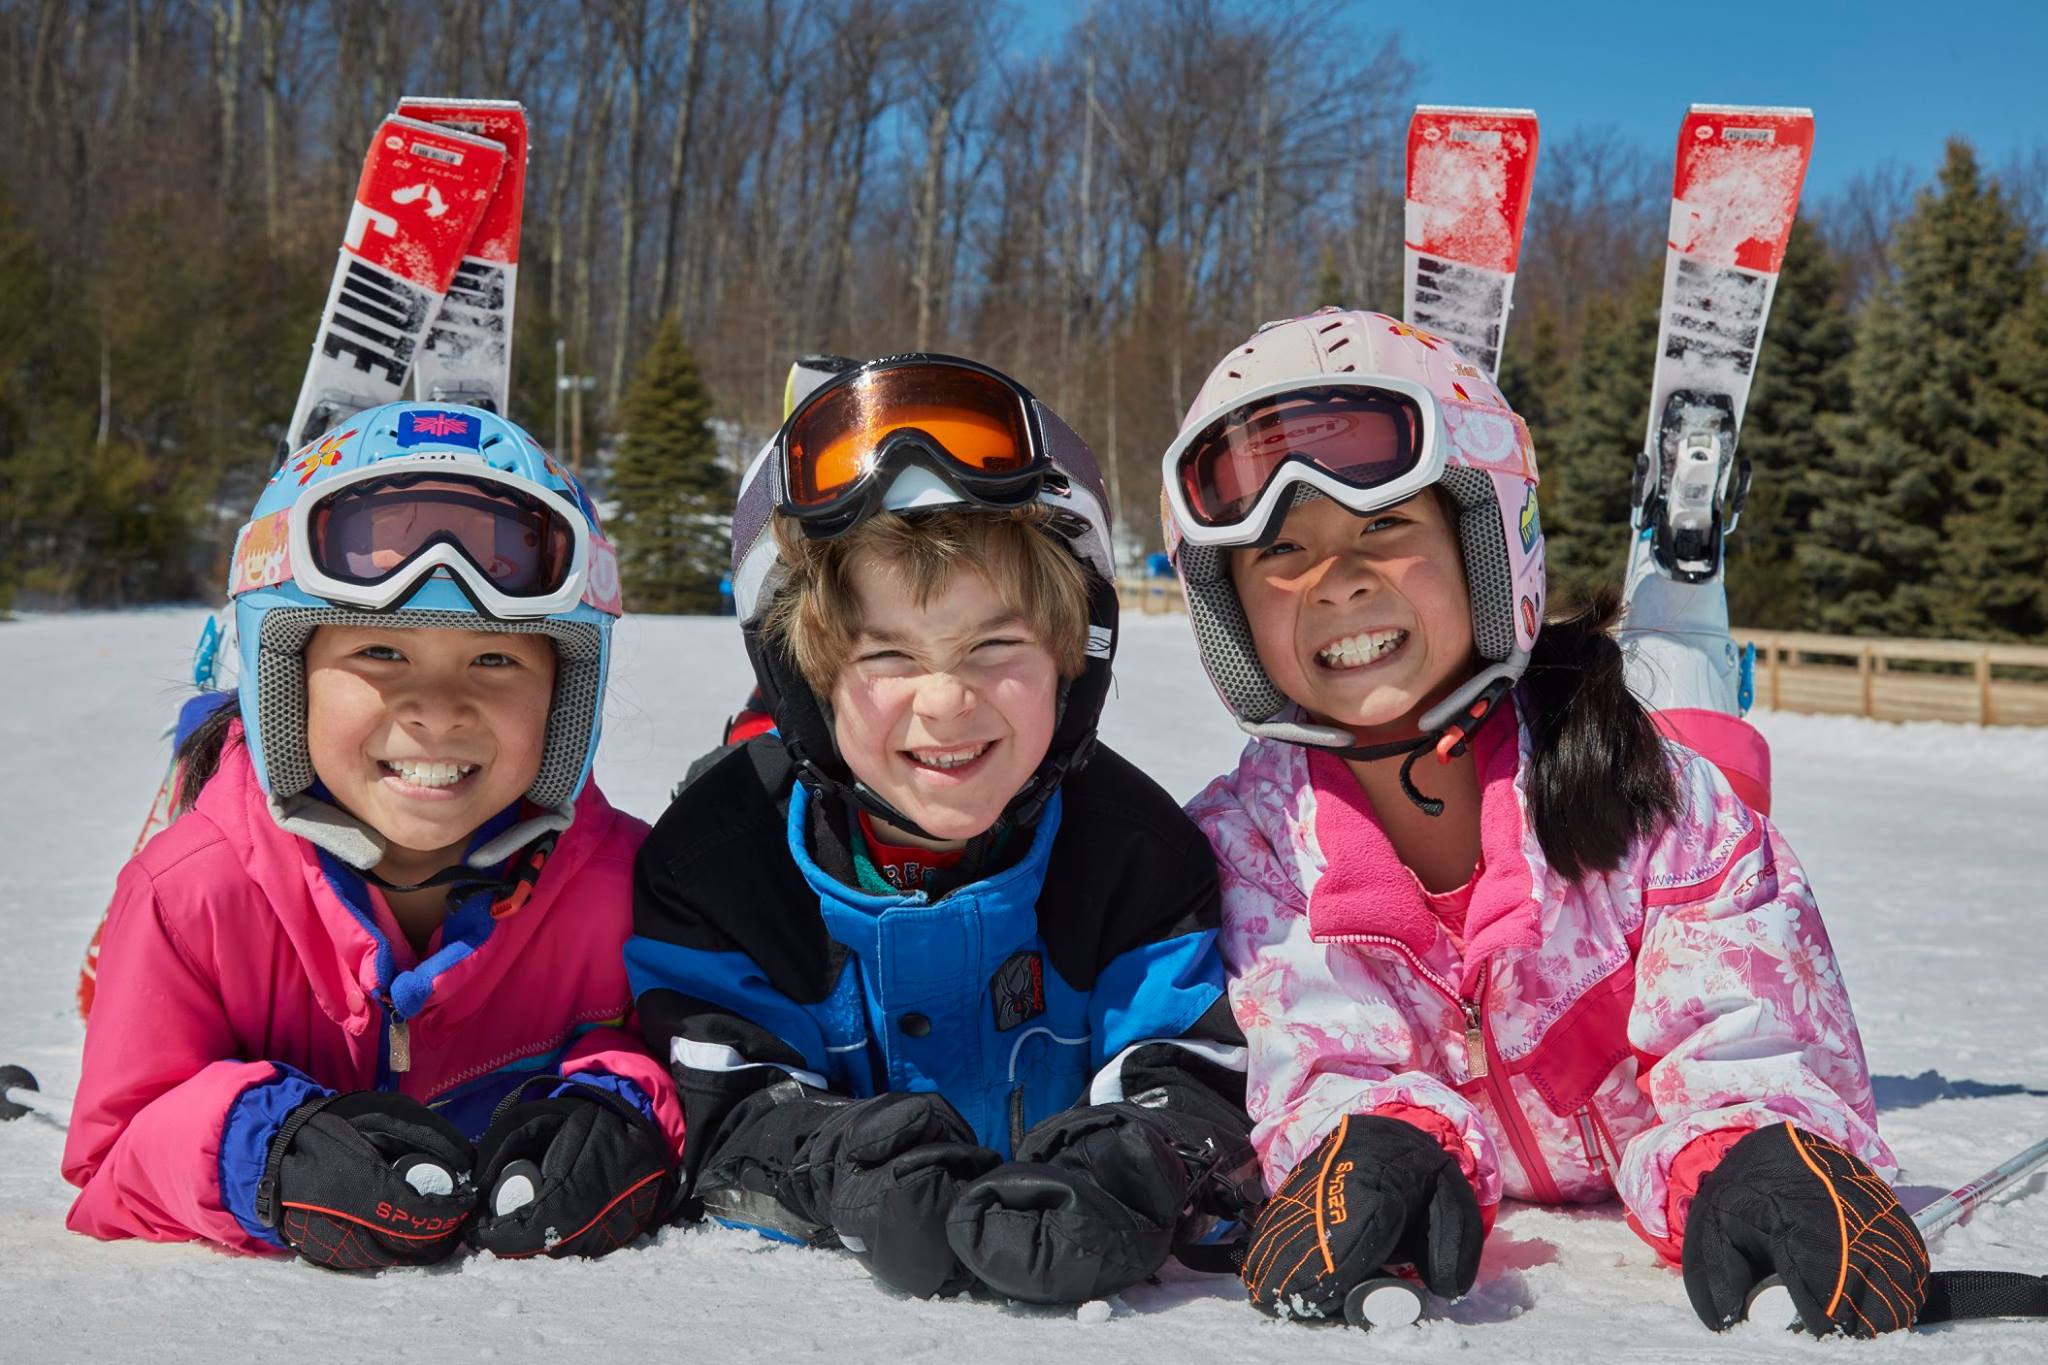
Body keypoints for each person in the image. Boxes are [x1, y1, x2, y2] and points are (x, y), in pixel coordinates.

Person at [1162, 311, 1926, 1337]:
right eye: (1281, 554)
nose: (1336, 581)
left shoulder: (1666, 805)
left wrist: (1753, 1151)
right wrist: (1368, 1145)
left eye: (1384, 527)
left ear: (1485, 546)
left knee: (1712, 756)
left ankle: (1679, 591)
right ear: (1230, 610)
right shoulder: (1247, 846)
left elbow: (1748, 1030)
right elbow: (1310, 1050)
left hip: (1597, 761)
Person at [627, 354, 1258, 1305]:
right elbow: (722, 1102)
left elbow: (1188, 1067)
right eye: (887, 654)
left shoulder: (1137, 859)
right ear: (810, 682)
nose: (948, 700)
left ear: (1070, 662)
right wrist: (847, 1164)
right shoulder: (721, 866)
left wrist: (1138, 1165)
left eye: (994, 645)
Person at [63, 403, 684, 1269]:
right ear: (289, 679)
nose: (436, 710)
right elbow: (111, 1152)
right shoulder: (190, 897)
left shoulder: (625, 886)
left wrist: (619, 1106)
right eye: (381, 654)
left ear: (566, 696)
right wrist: (262, 1150)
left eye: (495, 659)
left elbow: (690, 1061)